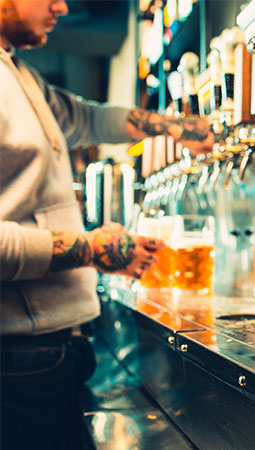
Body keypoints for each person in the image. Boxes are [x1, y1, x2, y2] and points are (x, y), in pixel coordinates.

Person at [0, 0, 214, 449]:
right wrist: (92, 248)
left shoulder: (16, 72)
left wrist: (173, 126)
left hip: (53, 351)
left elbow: (86, 118)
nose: (62, 6)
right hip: (19, 359)